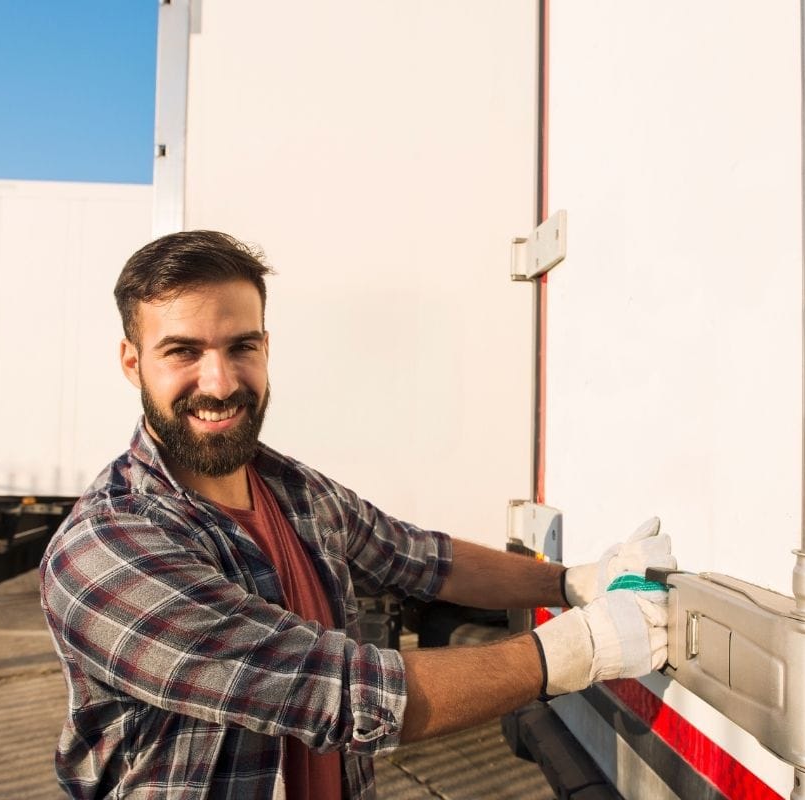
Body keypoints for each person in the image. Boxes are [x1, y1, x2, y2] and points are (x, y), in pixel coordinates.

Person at [39, 230, 676, 800]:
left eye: (242, 346)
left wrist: (573, 581)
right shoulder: (106, 547)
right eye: (183, 351)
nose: (221, 381)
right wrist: (577, 649)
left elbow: (422, 560)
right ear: (132, 363)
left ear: (266, 346)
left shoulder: (293, 489)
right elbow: (339, 692)